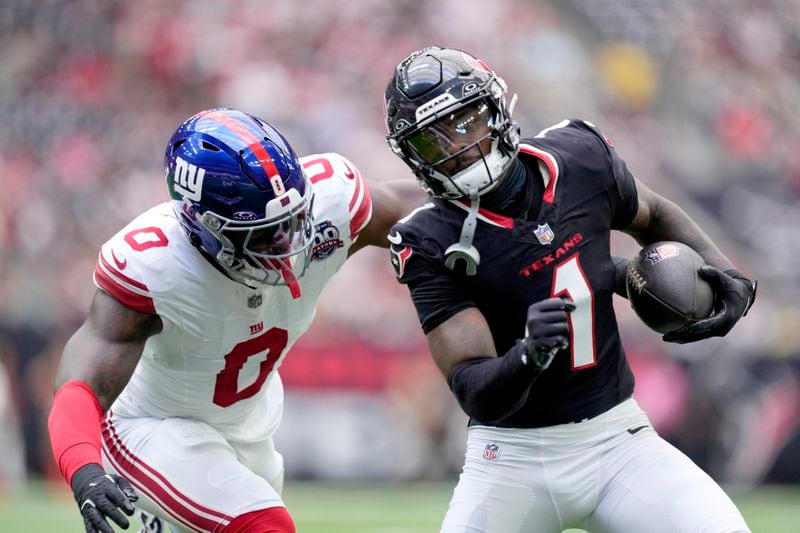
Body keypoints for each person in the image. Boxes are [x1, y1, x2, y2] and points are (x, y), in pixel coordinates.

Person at [383, 46, 757, 533]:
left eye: (464, 122)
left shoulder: (581, 157)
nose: (458, 148)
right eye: (433, 144)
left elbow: (652, 212)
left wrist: (723, 271)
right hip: (511, 460)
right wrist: (526, 356)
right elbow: (473, 389)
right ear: (415, 158)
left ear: (495, 108)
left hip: (616, 439)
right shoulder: (428, 238)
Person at [47, 107, 424, 533]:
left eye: (293, 221)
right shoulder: (156, 264)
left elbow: (422, 213)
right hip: (152, 425)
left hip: (249, 425)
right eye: (263, 232)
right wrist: (84, 470)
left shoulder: (329, 200)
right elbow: (81, 384)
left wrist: (502, 205)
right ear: (202, 226)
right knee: (265, 525)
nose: (286, 242)